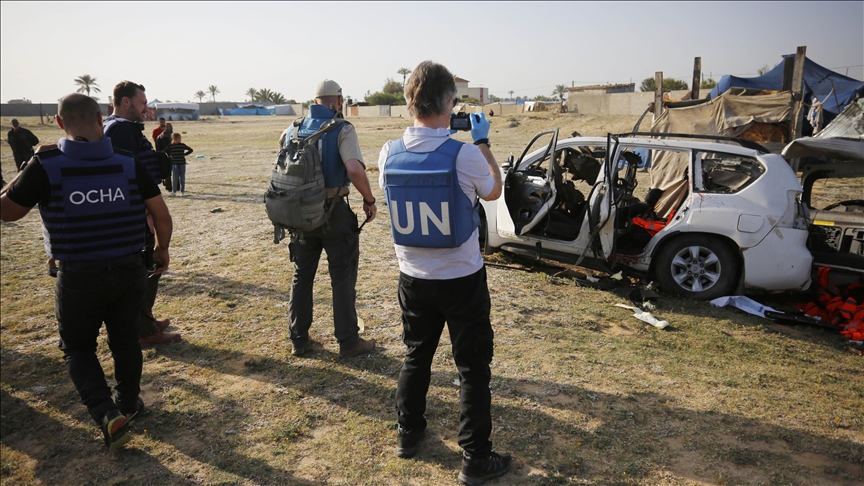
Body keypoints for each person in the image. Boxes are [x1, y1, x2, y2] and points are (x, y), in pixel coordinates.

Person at [0, 93, 173, 451]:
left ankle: (107, 414)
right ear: (100, 118)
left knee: (78, 348)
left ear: (61, 123)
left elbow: (8, 212)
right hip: (129, 269)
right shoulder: (126, 162)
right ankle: (128, 403)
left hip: (80, 274)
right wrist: (161, 249)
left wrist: (19, 175)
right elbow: (161, 215)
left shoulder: (46, 164)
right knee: (125, 338)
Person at [377, 61, 510, 485]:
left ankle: (408, 434)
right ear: (449, 102)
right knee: (472, 368)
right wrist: (484, 142)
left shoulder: (387, 152)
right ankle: (475, 457)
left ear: (410, 102)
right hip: (461, 277)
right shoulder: (465, 153)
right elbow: (493, 189)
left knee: (417, 355)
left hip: (412, 276)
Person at [283, 79, 378, 359]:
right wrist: (369, 200)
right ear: (339, 101)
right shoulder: (342, 129)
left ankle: (298, 339)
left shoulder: (293, 128)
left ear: (315, 102)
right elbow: (354, 169)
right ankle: (348, 341)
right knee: (342, 276)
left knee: (302, 276)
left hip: (299, 213)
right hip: (333, 211)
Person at [104, 81, 180, 346]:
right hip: (136, 211)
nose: (146, 108)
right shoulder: (121, 131)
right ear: (126, 102)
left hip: (137, 208)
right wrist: (146, 210)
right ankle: (144, 331)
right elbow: (126, 176)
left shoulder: (117, 128)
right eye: (142, 102)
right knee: (145, 271)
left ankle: (145, 320)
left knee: (147, 270)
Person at [155, 123, 174, 192]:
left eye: (170, 127)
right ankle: (169, 187)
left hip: (165, 155)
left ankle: (169, 186)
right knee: (168, 171)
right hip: (165, 155)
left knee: (169, 170)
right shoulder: (164, 137)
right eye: (168, 127)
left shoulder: (168, 135)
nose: (169, 128)